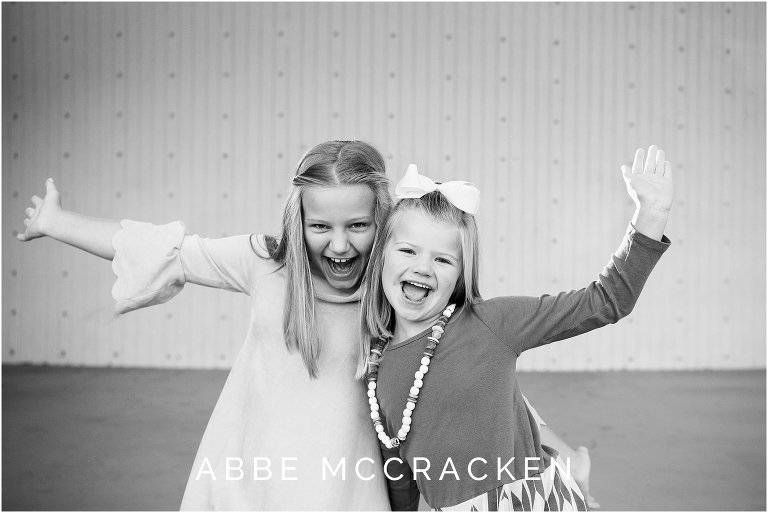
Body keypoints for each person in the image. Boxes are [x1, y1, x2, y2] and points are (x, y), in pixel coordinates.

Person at [18, 139, 596, 510]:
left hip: (347, 478)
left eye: (359, 227)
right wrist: (57, 221)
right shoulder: (266, 263)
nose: (339, 244)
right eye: (321, 225)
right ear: (299, 217)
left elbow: (463, 368)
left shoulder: (393, 288)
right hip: (261, 468)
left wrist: (549, 446)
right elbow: (166, 251)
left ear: (384, 222)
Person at [359, 146, 673, 510]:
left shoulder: (492, 323)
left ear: (462, 273)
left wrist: (651, 215)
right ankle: (574, 464)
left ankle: (570, 467)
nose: (423, 267)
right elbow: (400, 476)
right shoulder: (375, 369)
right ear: (380, 257)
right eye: (408, 251)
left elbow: (607, 300)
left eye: (443, 259)